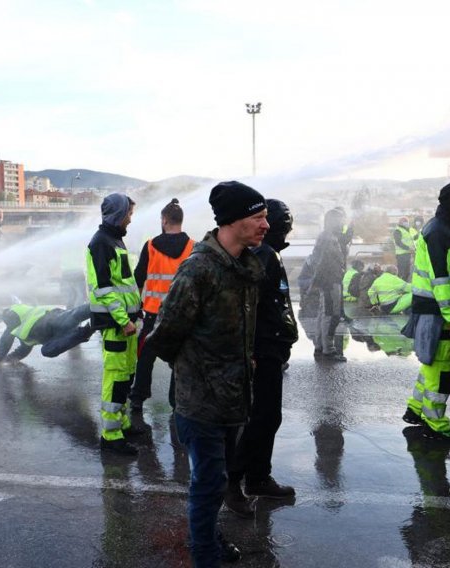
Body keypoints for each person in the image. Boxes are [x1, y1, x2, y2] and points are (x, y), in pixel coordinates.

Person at [145, 181, 268, 568]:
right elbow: (164, 334)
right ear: (233, 221)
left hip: (235, 398)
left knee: (216, 482)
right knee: (207, 484)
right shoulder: (199, 269)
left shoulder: (247, 267)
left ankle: (210, 539)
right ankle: (204, 556)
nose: (265, 225)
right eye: (258, 217)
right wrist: (196, 371)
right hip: (201, 401)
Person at [226, 198, 298, 517]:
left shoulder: (269, 254)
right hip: (263, 351)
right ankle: (234, 481)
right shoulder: (262, 256)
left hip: (272, 348)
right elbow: (245, 308)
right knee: (259, 418)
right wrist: (252, 350)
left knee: (268, 417)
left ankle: (257, 477)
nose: (284, 230)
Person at [402, 182, 450, 442]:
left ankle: (416, 408)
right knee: (441, 370)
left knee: (431, 364)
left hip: (433, 309)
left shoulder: (444, 229)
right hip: (437, 311)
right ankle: (436, 423)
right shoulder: (439, 233)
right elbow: (441, 280)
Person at [85, 193, 143, 456]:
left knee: (127, 375)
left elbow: (123, 284)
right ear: (118, 214)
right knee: (116, 378)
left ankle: (122, 424)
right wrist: (123, 320)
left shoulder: (114, 240)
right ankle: (111, 436)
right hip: (116, 324)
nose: (131, 218)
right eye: (129, 214)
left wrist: (134, 315)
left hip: (127, 322)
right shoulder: (101, 243)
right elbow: (104, 289)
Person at [129, 198, 194, 412]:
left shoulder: (150, 246)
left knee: (145, 355)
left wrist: (135, 308)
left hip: (153, 312)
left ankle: (138, 396)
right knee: (179, 358)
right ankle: (176, 401)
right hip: (182, 314)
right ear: (180, 221)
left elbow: (138, 279)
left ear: (164, 221)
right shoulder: (194, 246)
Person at [0, 303, 93, 363]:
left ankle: (100, 306)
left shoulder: (13, 311)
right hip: (57, 336)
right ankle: (88, 330)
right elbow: (23, 350)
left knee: (75, 315)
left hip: (52, 321)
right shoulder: (21, 331)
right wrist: (8, 359)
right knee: (46, 351)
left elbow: (6, 340)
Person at [310, 209, 347, 361]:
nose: (343, 223)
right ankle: (328, 349)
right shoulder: (328, 238)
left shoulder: (326, 236)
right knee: (332, 315)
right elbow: (322, 262)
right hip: (330, 281)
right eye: (341, 220)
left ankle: (320, 346)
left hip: (328, 281)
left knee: (324, 314)